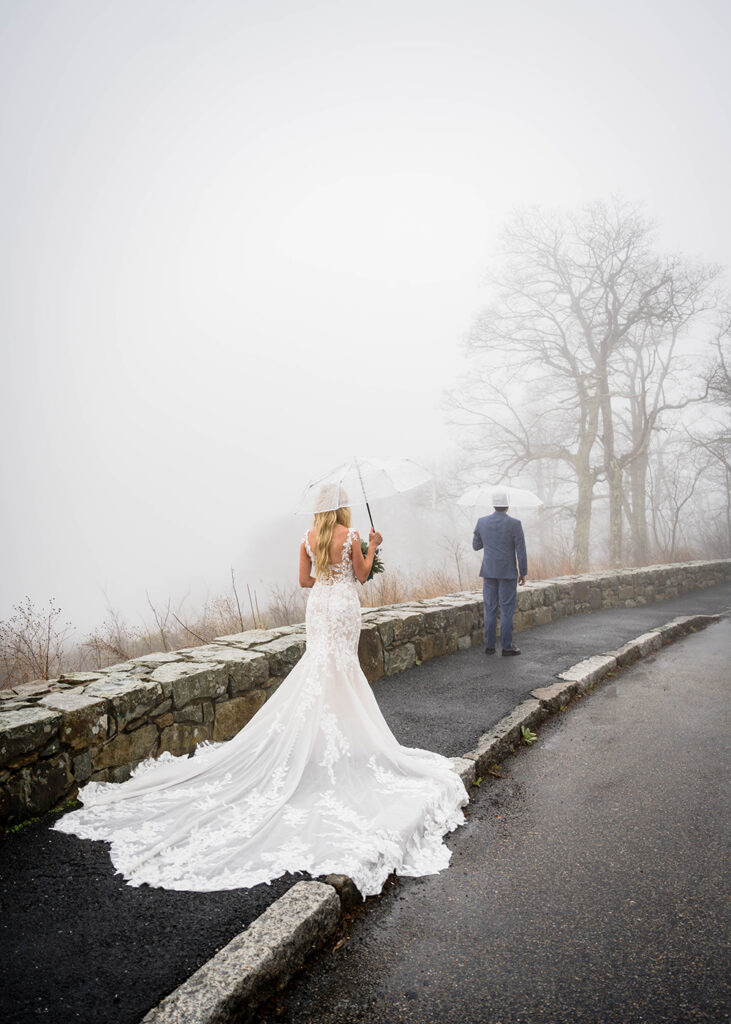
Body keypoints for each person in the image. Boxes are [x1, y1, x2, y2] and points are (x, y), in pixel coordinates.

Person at [54, 501, 467, 898]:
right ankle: (340, 747)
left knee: (320, 670)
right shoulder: (354, 534)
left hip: (319, 606)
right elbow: (360, 575)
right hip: (342, 605)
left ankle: (319, 745)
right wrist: (372, 546)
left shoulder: (307, 537)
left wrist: (332, 569)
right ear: (341, 509)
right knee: (341, 672)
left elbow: (304, 582)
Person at [472, 488, 528, 657]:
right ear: (507, 506)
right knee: (506, 610)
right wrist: (523, 572)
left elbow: (476, 546)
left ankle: (489, 646)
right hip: (508, 572)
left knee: (490, 608)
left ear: (494, 505)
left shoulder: (482, 522)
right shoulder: (515, 524)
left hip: (489, 571)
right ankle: (507, 646)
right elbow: (521, 551)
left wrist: (489, 542)